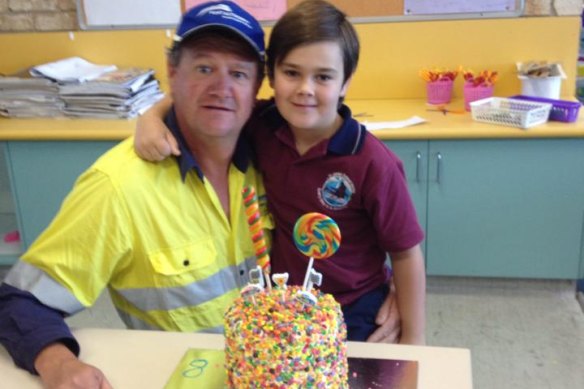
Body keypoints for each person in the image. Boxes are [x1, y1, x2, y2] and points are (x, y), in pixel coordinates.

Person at [0, 2, 270, 388]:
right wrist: (58, 364)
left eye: (239, 73)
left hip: (277, 369)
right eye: (204, 68)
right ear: (172, 72)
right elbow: (19, 301)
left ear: (257, 87)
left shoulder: (277, 155)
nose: (221, 88)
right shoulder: (119, 187)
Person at [135, 0, 426, 345]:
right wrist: (150, 117)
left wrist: (414, 342)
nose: (305, 88)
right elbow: (200, 100)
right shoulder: (262, 123)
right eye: (292, 73)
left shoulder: (372, 162)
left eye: (323, 77)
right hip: (284, 307)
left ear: (346, 81)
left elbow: (406, 253)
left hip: (355, 310)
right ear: (270, 76)